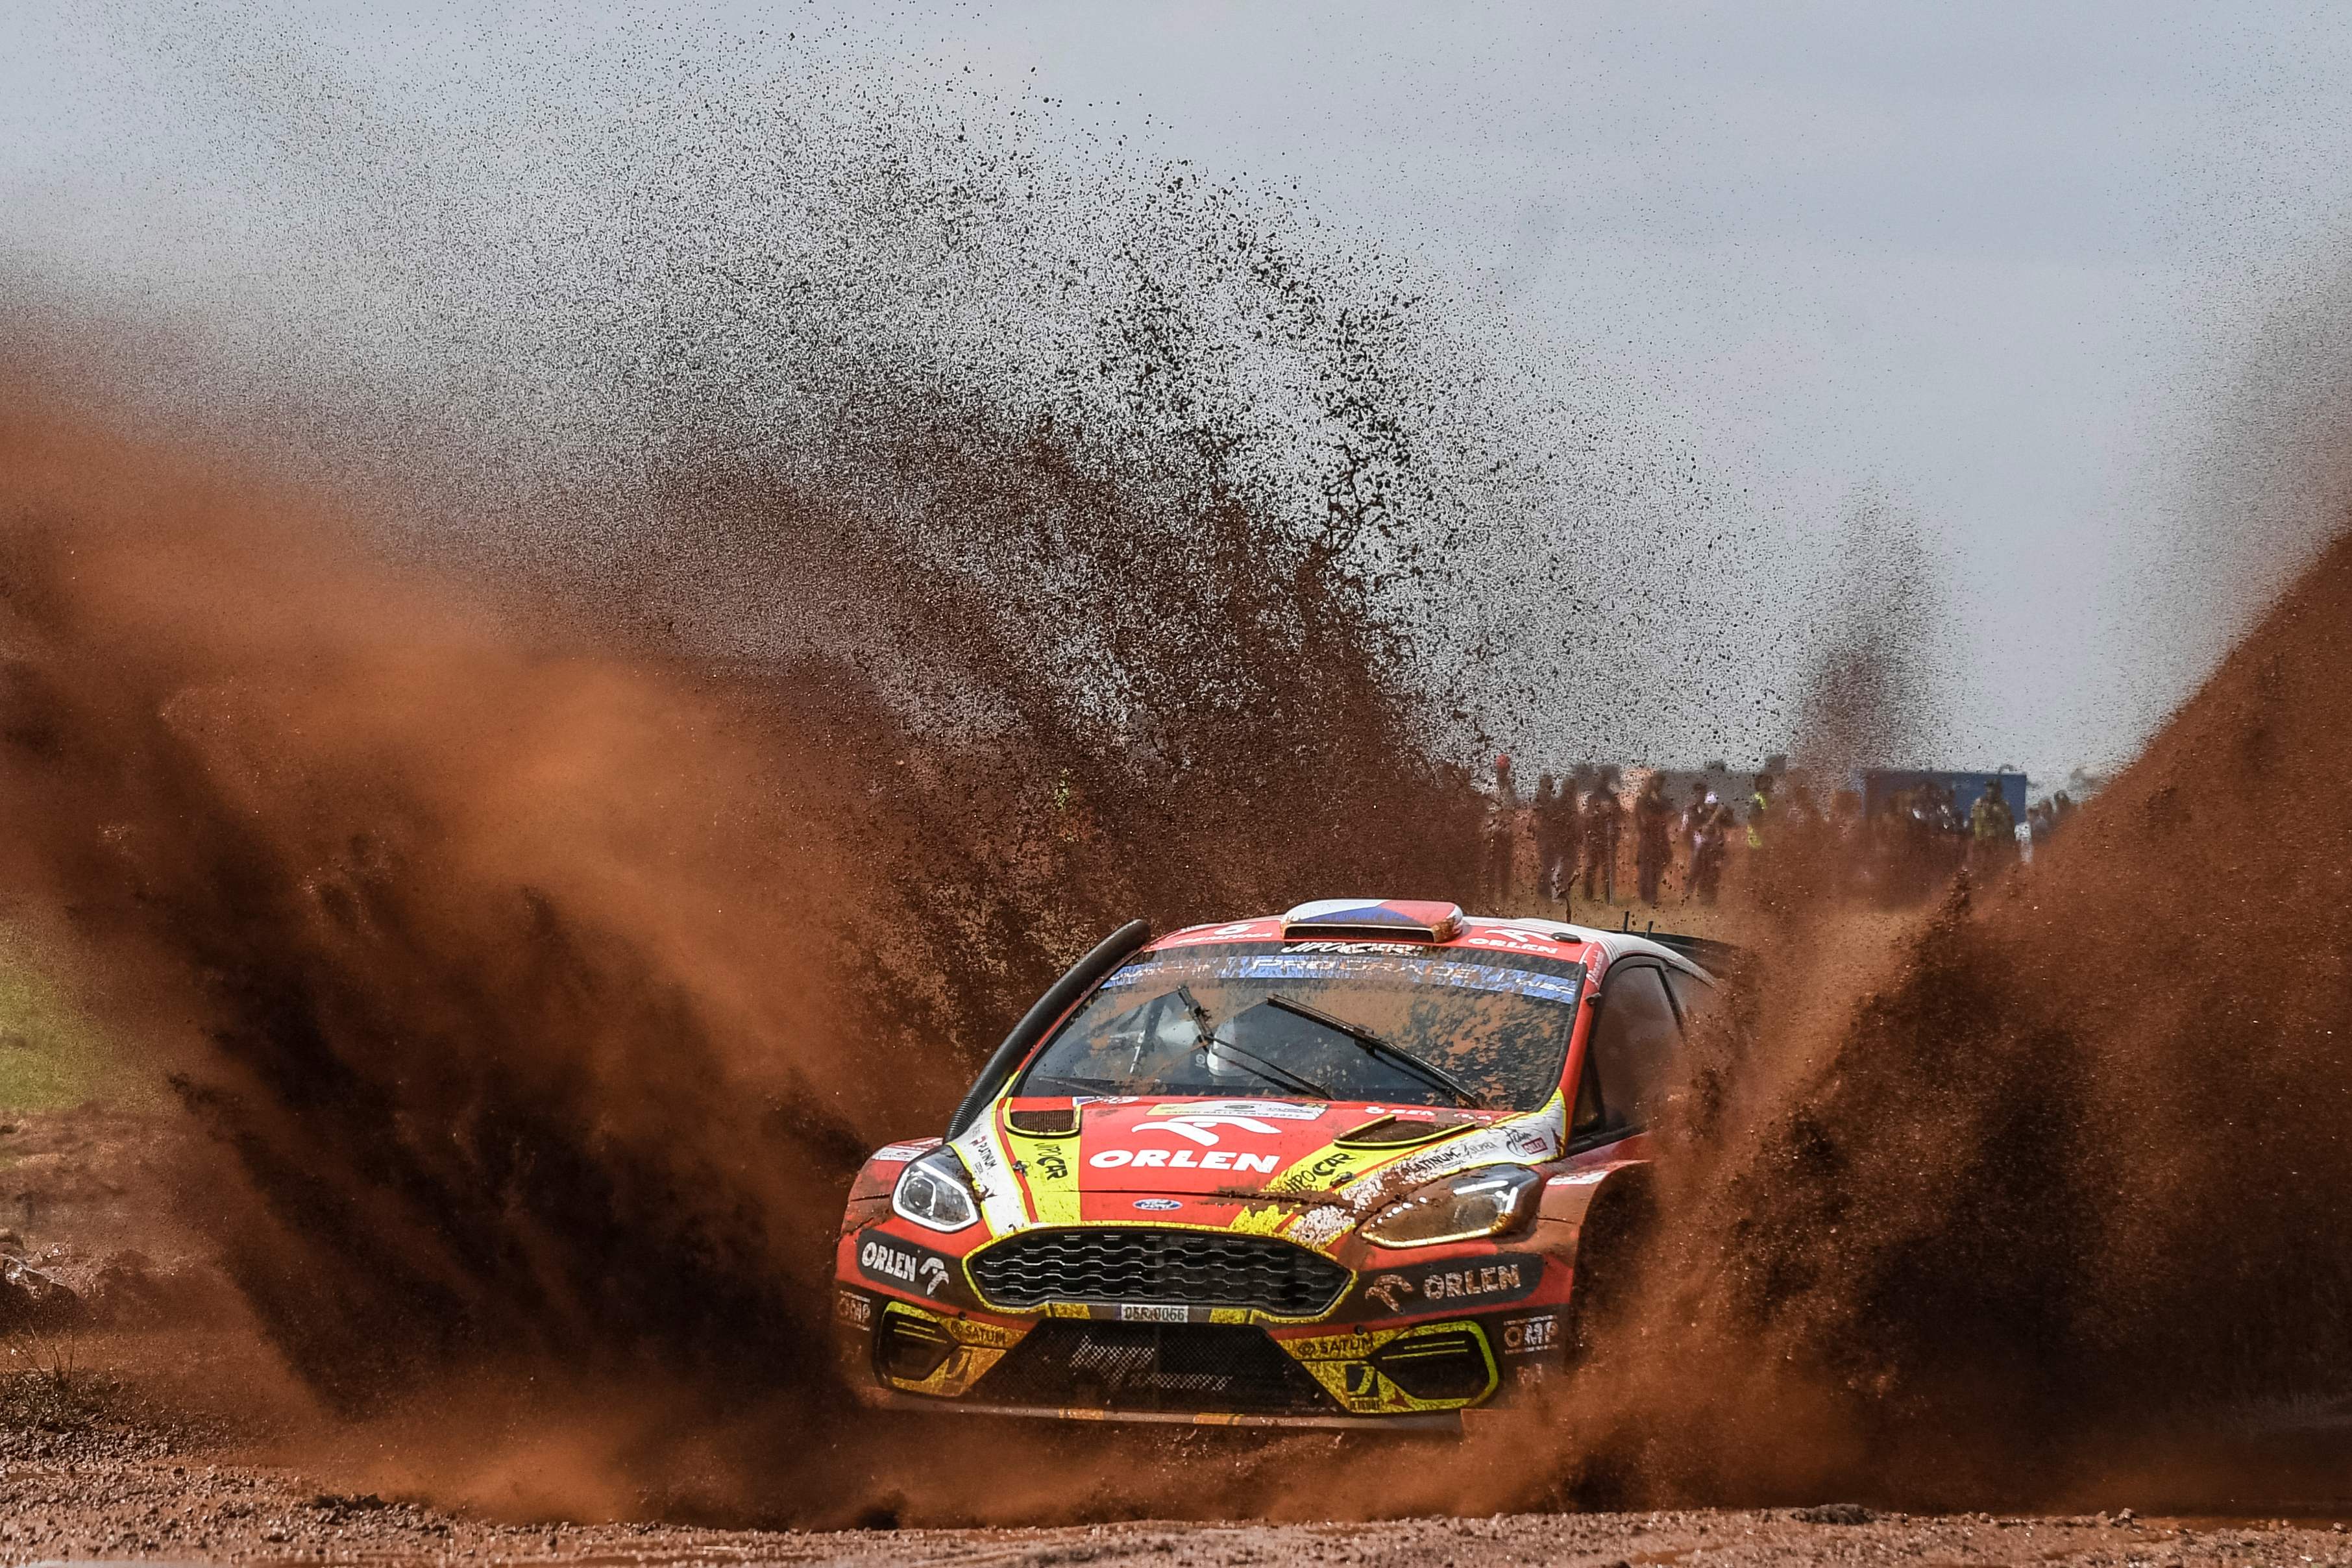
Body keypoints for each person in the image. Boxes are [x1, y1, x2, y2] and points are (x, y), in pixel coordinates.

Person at [1581, 770, 1623, 905]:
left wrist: (1611, 816)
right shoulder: (1592, 798)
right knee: (1591, 867)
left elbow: (1619, 814)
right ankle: (1588, 896)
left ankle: (1608, 897)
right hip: (1594, 837)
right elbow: (1587, 816)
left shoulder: (1612, 798)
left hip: (1607, 838)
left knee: (1608, 869)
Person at [1632, 773, 1674, 907]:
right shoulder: (1643, 800)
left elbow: (1673, 814)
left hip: (1661, 839)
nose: (1659, 785)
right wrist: (1661, 820)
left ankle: (1653, 896)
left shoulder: (1664, 800)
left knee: (1657, 870)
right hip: (1648, 839)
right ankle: (1645, 897)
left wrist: (1661, 820)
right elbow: (1644, 821)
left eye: (1661, 782)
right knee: (1646, 869)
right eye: (1657, 782)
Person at [1484, 754, 1521, 907]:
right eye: (1500, 769)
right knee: (1491, 864)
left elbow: (1515, 806)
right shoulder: (1489, 785)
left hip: (1506, 830)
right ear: (1496, 770)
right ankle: (1489, 896)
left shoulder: (1511, 788)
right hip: (1492, 829)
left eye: (1505, 769)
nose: (1503, 772)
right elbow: (1483, 806)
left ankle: (1505, 896)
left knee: (1505, 864)